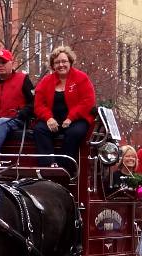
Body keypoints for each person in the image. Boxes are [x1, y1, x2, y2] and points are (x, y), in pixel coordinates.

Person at [33, 46, 96, 176]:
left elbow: (88, 101)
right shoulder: (46, 81)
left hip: (77, 119)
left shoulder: (81, 78)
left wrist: (71, 117)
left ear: (70, 62)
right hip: (53, 120)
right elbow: (39, 104)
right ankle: (49, 165)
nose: (61, 65)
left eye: (64, 61)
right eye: (57, 62)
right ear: (52, 65)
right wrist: (49, 118)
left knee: (74, 132)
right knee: (39, 129)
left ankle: (66, 166)